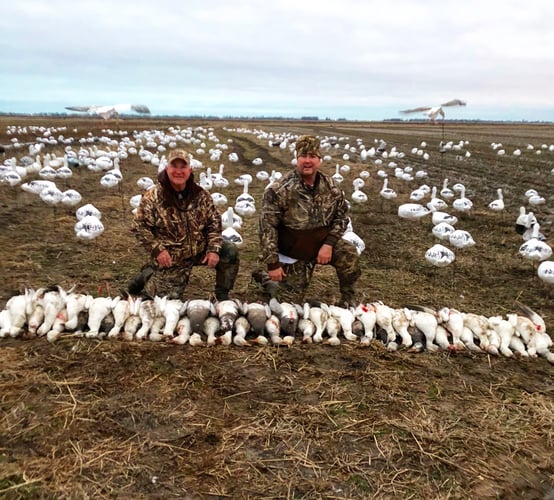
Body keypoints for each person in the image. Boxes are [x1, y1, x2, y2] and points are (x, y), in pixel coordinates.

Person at [254, 135, 360, 306]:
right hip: (294, 252)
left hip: (321, 245)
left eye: (312, 156)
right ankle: (266, 279)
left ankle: (348, 300)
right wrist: (272, 263)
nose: (307, 161)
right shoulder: (279, 190)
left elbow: (341, 217)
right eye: (303, 156)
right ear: (297, 159)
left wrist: (328, 244)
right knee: (289, 305)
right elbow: (267, 228)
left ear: (319, 160)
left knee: (349, 254)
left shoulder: (331, 187)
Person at [129, 149, 239, 301]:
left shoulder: (201, 195)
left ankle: (221, 296)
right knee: (165, 300)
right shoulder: (153, 197)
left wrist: (213, 249)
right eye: (174, 166)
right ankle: (146, 275)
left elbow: (214, 223)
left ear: (190, 170)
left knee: (229, 251)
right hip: (171, 257)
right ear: (167, 169)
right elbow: (139, 226)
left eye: (183, 167)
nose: (179, 171)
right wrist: (158, 250)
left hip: (199, 249)